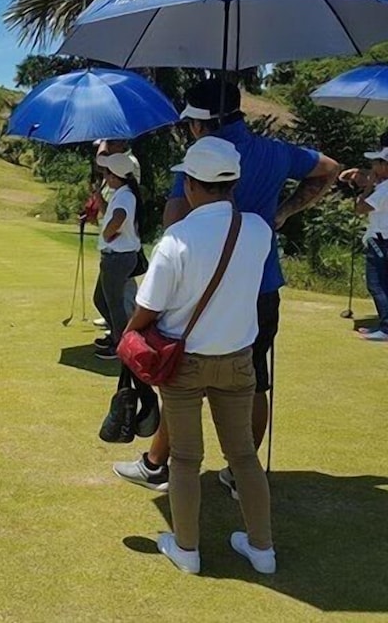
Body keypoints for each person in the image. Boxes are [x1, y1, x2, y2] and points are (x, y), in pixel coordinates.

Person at [114, 78, 340, 494]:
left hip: (197, 288)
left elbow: (173, 223)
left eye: (191, 123)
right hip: (260, 284)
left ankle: (158, 465)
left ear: (202, 123)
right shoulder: (274, 151)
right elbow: (328, 168)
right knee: (253, 379)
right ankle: (240, 472)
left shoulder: (197, 159)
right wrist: (285, 211)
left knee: (181, 375)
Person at [129, 137, 275, 575]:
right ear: (233, 183)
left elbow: (148, 307)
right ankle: (262, 550)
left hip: (185, 363)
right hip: (238, 359)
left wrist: (130, 334)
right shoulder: (258, 230)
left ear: (191, 184)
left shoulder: (177, 239)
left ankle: (187, 549)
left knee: (186, 459)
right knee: (244, 456)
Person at [92, 152, 142, 361]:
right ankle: (116, 335)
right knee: (101, 299)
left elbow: (119, 216)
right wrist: (99, 198)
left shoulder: (125, 196)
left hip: (118, 258)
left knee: (114, 304)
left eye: (106, 173)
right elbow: (112, 213)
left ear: (114, 176)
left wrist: (107, 233)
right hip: (117, 257)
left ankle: (120, 344)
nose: (104, 177)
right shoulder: (123, 193)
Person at [340, 145, 388, 340]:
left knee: (377, 284)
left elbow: (360, 208)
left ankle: (386, 329)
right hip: (383, 240)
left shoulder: (384, 190)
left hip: (381, 241)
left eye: (376, 163)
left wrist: (368, 186)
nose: (373, 166)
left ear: (384, 166)